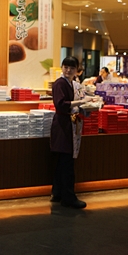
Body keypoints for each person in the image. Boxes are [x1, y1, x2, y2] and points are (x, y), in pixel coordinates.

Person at [50, 56, 95, 209]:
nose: (68, 70)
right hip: (63, 125)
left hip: (68, 124)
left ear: (77, 70)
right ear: (62, 67)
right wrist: (81, 102)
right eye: (66, 67)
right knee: (66, 162)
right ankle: (68, 197)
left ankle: (57, 193)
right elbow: (61, 105)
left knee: (62, 161)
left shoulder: (72, 84)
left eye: (72, 68)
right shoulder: (60, 83)